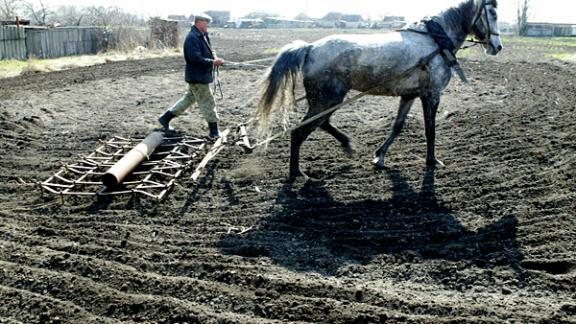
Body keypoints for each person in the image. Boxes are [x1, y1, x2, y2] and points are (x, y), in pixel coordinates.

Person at [158, 13, 225, 138]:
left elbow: (210, 50)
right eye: (206, 23)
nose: (208, 26)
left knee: (188, 99)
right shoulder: (192, 38)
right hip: (197, 77)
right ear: (199, 22)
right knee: (208, 102)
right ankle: (214, 132)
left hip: (199, 75)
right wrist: (213, 62)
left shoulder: (202, 35)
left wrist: (214, 58)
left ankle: (165, 118)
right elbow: (195, 59)